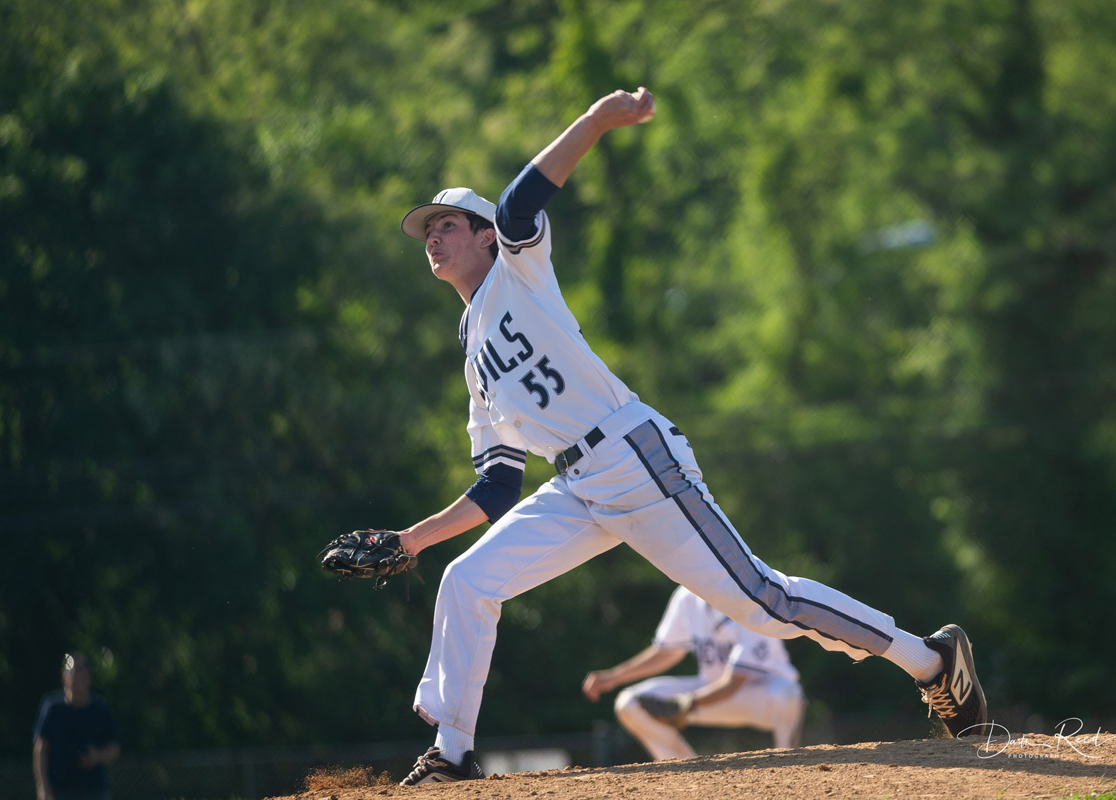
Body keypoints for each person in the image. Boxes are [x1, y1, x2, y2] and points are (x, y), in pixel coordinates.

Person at [389, 86, 986, 786]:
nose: (433, 234)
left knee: (767, 603)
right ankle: (452, 756)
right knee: (467, 580)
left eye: (449, 223)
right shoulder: (472, 351)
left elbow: (522, 203)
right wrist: (409, 542)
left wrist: (598, 121)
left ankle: (931, 660)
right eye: (427, 230)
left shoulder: (518, 272)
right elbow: (498, 481)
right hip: (575, 485)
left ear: (486, 235)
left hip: (633, 457)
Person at [583, 585, 807, 760]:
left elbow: (735, 682)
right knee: (630, 703)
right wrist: (612, 677)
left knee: (788, 693)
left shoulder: (753, 597)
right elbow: (667, 653)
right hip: (708, 693)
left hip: (760, 697)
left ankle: (790, 761)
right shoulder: (687, 595)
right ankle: (688, 771)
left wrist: (687, 703)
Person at [33, 652, 121, 800]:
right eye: (71, 668)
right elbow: (40, 749)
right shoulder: (52, 708)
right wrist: (43, 787)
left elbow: (115, 748)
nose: (76, 673)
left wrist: (97, 756)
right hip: (60, 792)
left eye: (81, 668)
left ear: (89, 676)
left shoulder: (100, 709)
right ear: (63, 676)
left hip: (95, 791)